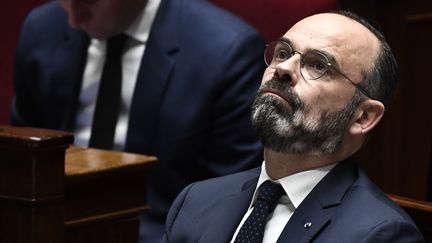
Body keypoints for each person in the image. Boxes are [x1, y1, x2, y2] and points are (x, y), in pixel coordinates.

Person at [162, 10, 425, 242]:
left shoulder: (380, 234)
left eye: (319, 65)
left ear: (363, 117)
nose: (284, 68)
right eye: (283, 53)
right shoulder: (196, 201)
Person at [12, 0, 265, 241]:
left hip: (160, 232)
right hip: (50, 224)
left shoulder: (226, 51)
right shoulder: (42, 28)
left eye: (89, 1)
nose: (74, 19)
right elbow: (22, 160)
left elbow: (230, 200)